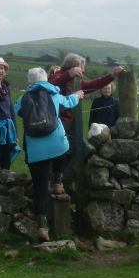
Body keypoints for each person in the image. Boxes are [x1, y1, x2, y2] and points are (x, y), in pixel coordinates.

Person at [15, 67, 84, 239]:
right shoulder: (53, 93)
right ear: (46, 80)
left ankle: (42, 227)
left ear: (30, 81)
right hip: (56, 144)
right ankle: (58, 181)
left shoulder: (23, 98)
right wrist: (78, 95)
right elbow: (68, 102)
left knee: (40, 188)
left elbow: (16, 111)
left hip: (35, 150)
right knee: (64, 148)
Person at [48, 54, 123, 190]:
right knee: (59, 153)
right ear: (73, 67)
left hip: (71, 124)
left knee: (71, 153)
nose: (83, 72)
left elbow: (94, 84)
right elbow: (52, 85)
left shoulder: (76, 81)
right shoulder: (58, 75)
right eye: (82, 68)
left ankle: (64, 184)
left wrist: (111, 76)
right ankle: (54, 182)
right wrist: (68, 74)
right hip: (57, 123)